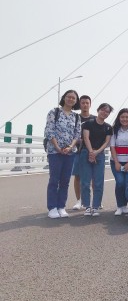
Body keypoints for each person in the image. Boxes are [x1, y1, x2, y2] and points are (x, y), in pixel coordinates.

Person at [44, 90, 81, 219]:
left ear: (76, 101)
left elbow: (77, 134)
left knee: (65, 181)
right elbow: (49, 131)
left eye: (73, 98)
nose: (71, 99)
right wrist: (58, 147)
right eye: (69, 97)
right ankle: (52, 207)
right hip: (55, 151)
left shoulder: (76, 117)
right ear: (64, 98)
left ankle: (61, 206)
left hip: (70, 153)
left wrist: (70, 147)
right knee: (54, 179)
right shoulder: (54, 112)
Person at [81, 103, 113, 217]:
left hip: (99, 154)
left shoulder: (108, 127)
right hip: (86, 152)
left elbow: (106, 142)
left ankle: (95, 206)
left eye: (107, 111)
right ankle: (86, 206)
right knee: (85, 181)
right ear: (98, 110)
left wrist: (96, 152)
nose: (104, 112)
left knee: (98, 181)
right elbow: (86, 137)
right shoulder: (88, 123)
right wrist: (91, 152)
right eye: (102, 110)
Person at [110, 108, 128, 216]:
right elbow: (112, 147)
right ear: (119, 118)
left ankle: (125, 206)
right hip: (116, 161)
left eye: (127, 117)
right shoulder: (114, 130)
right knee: (120, 183)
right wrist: (116, 162)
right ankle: (119, 206)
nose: (124, 119)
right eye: (122, 117)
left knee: (127, 184)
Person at [71, 94, 95, 210]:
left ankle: (96, 201)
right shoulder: (74, 118)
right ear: (79, 104)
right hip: (78, 151)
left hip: (92, 151)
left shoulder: (95, 118)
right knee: (78, 176)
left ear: (90, 105)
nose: (85, 105)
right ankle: (79, 200)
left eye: (87, 103)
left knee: (93, 176)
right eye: (83, 103)